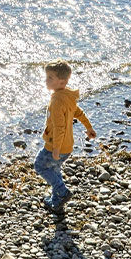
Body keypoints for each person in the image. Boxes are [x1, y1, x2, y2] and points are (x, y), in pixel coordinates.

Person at [35, 61, 96, 213]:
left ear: (62, 81)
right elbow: (78, 112)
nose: (46, 81)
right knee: (55, 169)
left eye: (50, 78)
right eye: (46, 77)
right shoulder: (67, 96)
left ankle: (62, 191)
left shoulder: (57, 101)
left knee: (40, 165)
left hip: (56, 145)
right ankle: (56, 201)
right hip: (67, 146)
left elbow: (59, 128)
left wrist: (55, 149)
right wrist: (88, 127)